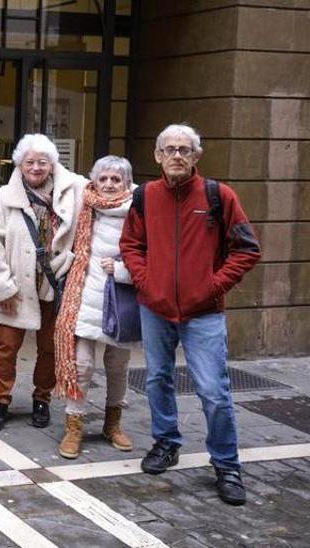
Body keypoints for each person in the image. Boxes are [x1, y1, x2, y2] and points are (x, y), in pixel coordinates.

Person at [121, 124, 261, 505]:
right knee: (157, 379)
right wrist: (146, 281)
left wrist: (213, 286)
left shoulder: (219, 195)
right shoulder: (145, 196)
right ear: (158, 155)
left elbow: (247, 249)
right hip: (156, 308)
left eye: (185, 149)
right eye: (170, 149)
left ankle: (227, 465)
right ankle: (166, 442)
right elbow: (131, 244)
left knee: (214, 391)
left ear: (196, 156)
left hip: (204, 313)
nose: (177, 156)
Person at [0, 134, 84, 432]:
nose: (36, 167)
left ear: (52, 164)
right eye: (30, 162)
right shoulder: (3, 197)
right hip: (15, 286)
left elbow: (112, 185)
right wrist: (1, 287)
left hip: (55, 283)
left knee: (49, 348)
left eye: (42, 162)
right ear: (19, 164)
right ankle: (0, 401)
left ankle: (42, 399)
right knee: (5, 347)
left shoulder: (72, 191)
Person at [52, 155, 137, 460]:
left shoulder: (139, 209)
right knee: (82, 365)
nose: (109, 185)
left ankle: (112, 424)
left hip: (122, 297)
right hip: (84, 294)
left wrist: (123, 270)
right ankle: (73, 426)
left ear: (127, 183)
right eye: (103, 179)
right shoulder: (85, 202)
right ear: (94, 181)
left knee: (117, 366)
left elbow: (149, 252)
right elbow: (51, 170)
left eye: (116, 179)